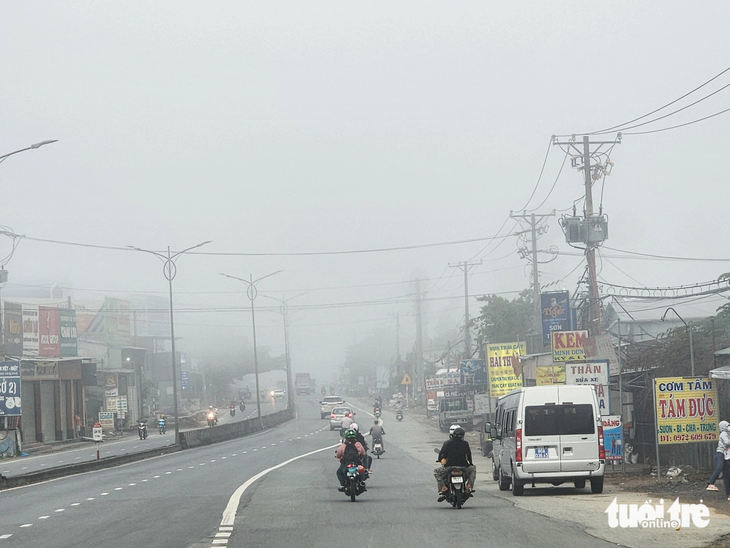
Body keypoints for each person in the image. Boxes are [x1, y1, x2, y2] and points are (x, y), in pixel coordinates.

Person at [434, 426, 476, 501]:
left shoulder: (447, 443)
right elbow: (469, 455)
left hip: (449, 466)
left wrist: (439, 459)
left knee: (436, 472)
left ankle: (443, 487)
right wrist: (471, 463)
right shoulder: (465, 443)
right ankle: (469, 485)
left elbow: (442, 454)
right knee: (473, 470)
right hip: (463, 466)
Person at [706, 420, 730, 497]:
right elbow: (727, 443)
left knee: (726, 474)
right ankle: (711, 483)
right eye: (727, 426)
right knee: (719, 468)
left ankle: (728, 493)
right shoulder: (724, 433)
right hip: (720, 453)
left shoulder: (727, 434)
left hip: (724, 454)